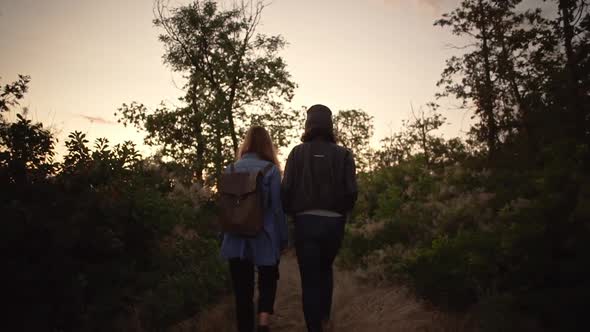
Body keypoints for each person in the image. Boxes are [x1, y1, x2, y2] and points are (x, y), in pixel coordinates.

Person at [281, 104, 358, 332]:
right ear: (329, 125)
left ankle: (314, 328)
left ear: (308, 124)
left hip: (305, 223)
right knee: (326, 270)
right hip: (334, 224)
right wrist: (341, 213)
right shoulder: (344, 154)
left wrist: (291, 213)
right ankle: (325, 320)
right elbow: (352, 191)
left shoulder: (297, 152)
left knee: (309, 279)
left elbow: (286, 189)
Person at [220, 126, 288, 332]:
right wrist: (283, 239)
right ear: (267, 145)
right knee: (268, 281)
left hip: (234, 238)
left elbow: (225, 208)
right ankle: (263, 323)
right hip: (264, 238)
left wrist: (222, 235)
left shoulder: (230, 169)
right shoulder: (271, 171)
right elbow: (277, 210)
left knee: (242, 292)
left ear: (246, 143)